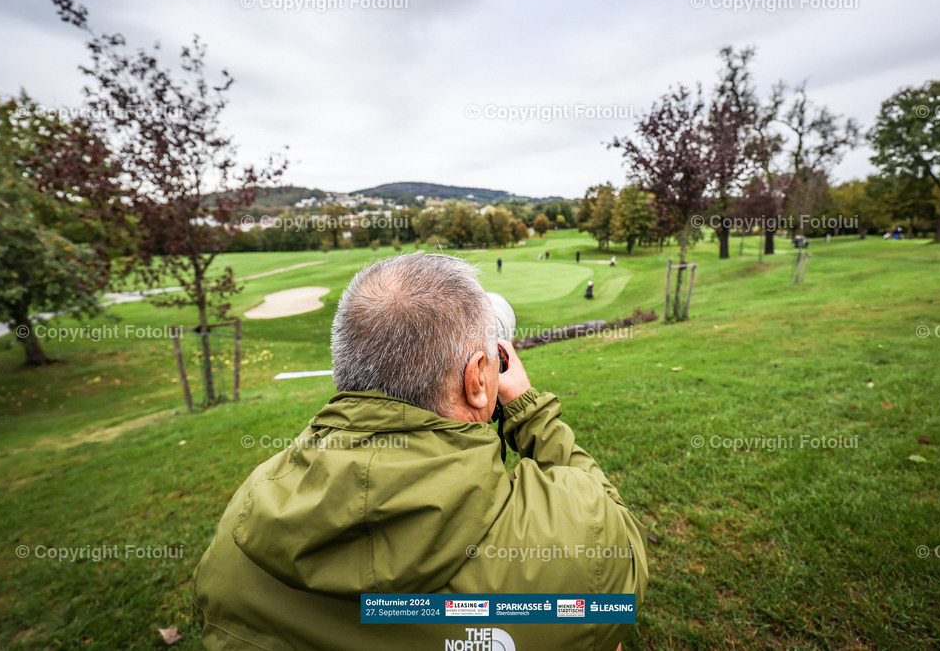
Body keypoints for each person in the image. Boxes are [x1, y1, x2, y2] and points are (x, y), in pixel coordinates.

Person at [194, 254, 648, 650]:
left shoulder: (241, 516)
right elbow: (621, 557)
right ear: (476, 380)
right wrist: (529, 411)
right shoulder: (575, 538)